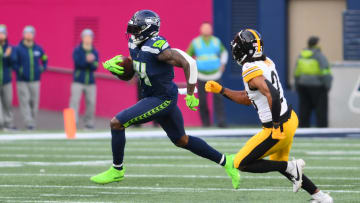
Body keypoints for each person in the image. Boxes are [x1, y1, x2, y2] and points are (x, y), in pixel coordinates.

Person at [90, 10, 239, 189]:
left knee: (117, 123)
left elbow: (189, 63)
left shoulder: (158, 48)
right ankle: (226, 161)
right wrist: (121, 68)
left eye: (137, 28)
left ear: (148, 29)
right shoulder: (133, 42)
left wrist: (191, 93)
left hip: (162, 98)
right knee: (181, 140)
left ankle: (117, 170)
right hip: (155, 95)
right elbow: (138, 66)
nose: (132, 31)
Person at [205, 29, 333, 203]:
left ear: (243, 49)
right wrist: (222, 90)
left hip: (277, 127)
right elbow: (249, 98)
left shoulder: (249, 67)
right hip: (290, 118)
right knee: (280, 164)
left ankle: (291, 167)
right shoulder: (266, 61)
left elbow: (271, 94)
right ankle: (321, 197)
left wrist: (276, 125)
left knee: (240, 163)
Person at [187, 22, 228, 127]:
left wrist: (223, 64)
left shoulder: (216, 41)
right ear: (201, 30)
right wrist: (192, 67)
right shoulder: (195, 42)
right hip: (201, 76)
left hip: (215, 75)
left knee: (218, 100)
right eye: (204, 28)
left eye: (208, 28)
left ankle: (221, 122)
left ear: (211, 30)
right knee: (202, 101)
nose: (206, 30)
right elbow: (187, 55)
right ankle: (206, 123)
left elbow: (224, 53)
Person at [294, 36, 332, 127]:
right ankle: (322, 130)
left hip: (302, 85)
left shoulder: (301, 55)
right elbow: (325, 71)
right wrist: (328, 85)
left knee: (304, 108)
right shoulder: (319, 56)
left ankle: (303, 129)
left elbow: (296, 72)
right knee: (321, 109)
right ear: (317, 44)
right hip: (318, 86)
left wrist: (296, 85)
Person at [15, 25, 48, 130]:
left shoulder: (38, 49)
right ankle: (28, 122)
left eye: (31, 33)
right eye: (27, 33)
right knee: (24, 101)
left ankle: (32, 121)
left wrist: (43, 67)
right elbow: (14, 63)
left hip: (35, 80)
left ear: (33, 35)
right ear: (23, 35)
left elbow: (45, 58)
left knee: (34, 102)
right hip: (22, 81)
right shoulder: (18, 49)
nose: (29, 35)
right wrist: (20, 71)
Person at [69, 29, 99, 129]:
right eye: (86, 37)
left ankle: (89, 123)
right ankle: (71, 124)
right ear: (82, 38)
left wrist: (91, 62)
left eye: (90, 37)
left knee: (91, 103)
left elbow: (95, 66)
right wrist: (87, 60)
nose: (88, 39)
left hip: (90, 82)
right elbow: (78, 63)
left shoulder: (95, 51)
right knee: (74, 102)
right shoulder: (77, 50)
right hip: (78, 81)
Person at [0, 25, 16, 130]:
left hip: (6, 79)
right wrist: (4, 56)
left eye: (2, 33)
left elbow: (13, 63)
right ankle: (1, 123)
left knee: (8, 102)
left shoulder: (9, 47)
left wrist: (9, 56)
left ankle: (8, 123)